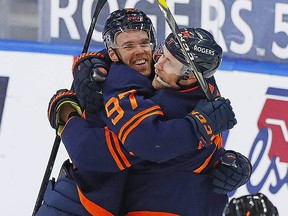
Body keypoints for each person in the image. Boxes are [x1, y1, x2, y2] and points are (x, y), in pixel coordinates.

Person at [37, 8, 250, 216]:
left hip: (111, 200)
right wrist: (83, 71)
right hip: (81, 202)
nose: (157, 62)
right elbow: (92, 150)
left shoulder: (175, 98)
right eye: (128, 45)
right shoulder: (128, 84)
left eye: (145, 43)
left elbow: (92, 150)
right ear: (113, 52)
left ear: (192, 76)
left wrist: (231, 163)